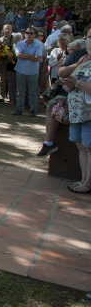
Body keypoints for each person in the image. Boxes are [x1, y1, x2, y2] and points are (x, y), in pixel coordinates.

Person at [60, 38, 91, 194]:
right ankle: (83, 179)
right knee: (81, 147)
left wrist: (77, 83)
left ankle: (88, 182)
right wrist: (68, 83)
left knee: (89, 147)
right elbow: (67, 87)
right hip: (76, 112)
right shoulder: (83, 62)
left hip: (89, 114)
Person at [14, 27, 44, 117]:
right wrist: (31, 55)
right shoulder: (20, 43)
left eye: (31, 33)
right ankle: (19, 109)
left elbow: (37, 58)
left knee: (33, 92)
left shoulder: (38, 44)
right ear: (25, 34)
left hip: (33, 72)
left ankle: (33, 110)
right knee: (20, 91)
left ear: (35, 35)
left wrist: (25, 56)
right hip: (20, 70)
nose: (29, 35)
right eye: (27, 33)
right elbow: (18, 55)